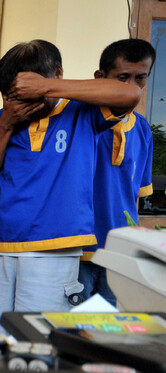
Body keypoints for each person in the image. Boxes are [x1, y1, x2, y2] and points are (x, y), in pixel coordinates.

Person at [0, 40, 140, 334]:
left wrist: (48, 87)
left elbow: (130, 93)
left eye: (27, 96)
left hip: (53, 249)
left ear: (56, 75)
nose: (20, 105)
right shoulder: (2, 120)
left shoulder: (83, 112)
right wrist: (6, 123)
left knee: (37, 343)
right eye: (11, 97)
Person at [80, 39, 156, 306]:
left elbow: (135, 196)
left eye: (141, 78)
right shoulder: (82, 121)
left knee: (108, 334)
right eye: (122, 78)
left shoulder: (143, 130)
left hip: (119, 253)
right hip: (78, 248)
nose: (132, 87)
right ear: (100, 77)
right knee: (70, 331)